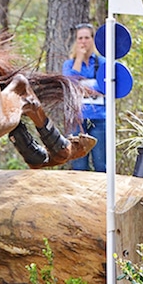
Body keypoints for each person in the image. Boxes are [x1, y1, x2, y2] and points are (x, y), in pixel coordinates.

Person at [62, 23, 106, 172]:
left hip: (99, 119)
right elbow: (70, 84)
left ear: (92, 40)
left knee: (101, 164)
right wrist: (79, 59)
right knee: (79, 165)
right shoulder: (69, 65)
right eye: (80, 38)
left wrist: (84, 88)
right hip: (77, 120)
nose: (83, 41)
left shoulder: (102, 63)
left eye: (86, 37)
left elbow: (106, 87)